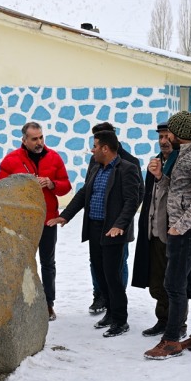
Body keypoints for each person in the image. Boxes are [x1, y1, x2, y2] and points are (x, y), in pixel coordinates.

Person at [48, 130, 142, 337]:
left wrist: (120, 225)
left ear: (106, 148)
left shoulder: (127, 168)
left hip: (113, 231)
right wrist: (65, 216)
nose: (92, 149)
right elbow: (84, 194)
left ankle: (120, 319)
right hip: (95, 229)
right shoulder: (96, 167)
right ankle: (109, 312)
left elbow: (131, 201)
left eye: (95, 146)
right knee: (100, 274)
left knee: (112, 276)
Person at [144, 110, 191, 360]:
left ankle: (171, 340)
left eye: (170, 133)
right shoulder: (184, 154)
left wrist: (179, 227)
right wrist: (159, 178)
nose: (167, 137)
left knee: (174, 285)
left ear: (178, 134)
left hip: (189, 231)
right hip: (185, 230)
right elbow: (177, 189)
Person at [0, 121, 71, 321]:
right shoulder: (11, 160)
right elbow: (0, 188)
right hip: (22, 223)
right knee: (21, 262)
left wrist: (52, 183)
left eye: (41, 137)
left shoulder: (54, 157)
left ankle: (48, 303)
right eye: (34, 139)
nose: (39, 142)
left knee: (48, 263)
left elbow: (66, 186)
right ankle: (21, 302)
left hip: (48, 220)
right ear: (24, 140)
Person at [131, 122, 188, 337]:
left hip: (173, 232)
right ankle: (162, 320)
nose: (163, 141)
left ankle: (178, 324)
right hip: (153, 231)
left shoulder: (181, 163)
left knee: (174, 282)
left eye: (167, 137)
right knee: (156, 282)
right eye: (160, 137)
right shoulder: (156, 162)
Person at [86, 122, 144, 314]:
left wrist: (120, 220)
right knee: (99, 265)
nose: (93, 149)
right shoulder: (95, 162)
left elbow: (136, 195)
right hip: (97, 224)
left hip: (117, 226)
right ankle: (102, 297)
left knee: (117, 267)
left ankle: (118, 302)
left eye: (96, 144)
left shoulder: (129, 163)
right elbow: (88, 189)